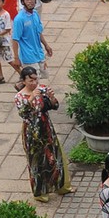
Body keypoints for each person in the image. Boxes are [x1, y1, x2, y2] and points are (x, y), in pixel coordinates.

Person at [14, 66, 70, 202]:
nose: (34, 83)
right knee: (37, 161)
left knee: (55, 157)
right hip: (32, 132)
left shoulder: (42, 89)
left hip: (46, 127)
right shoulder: (20, 96)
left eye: (35, 79)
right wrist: (32, 98)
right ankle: (40, 192)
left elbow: (54, 106)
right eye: (30, 80)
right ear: (23, 80)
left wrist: (51, 98)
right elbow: (23, 113)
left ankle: (60, 186)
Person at [12, 0, 53, 73]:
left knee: (44, 75)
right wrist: (16, 58)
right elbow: (15, 39)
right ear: (23, 1)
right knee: (33, 81)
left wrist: (46, 45)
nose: (30, 1)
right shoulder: (19, 19)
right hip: (28, 57)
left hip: (39, 54)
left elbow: (39, 32)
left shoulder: (35, 14)